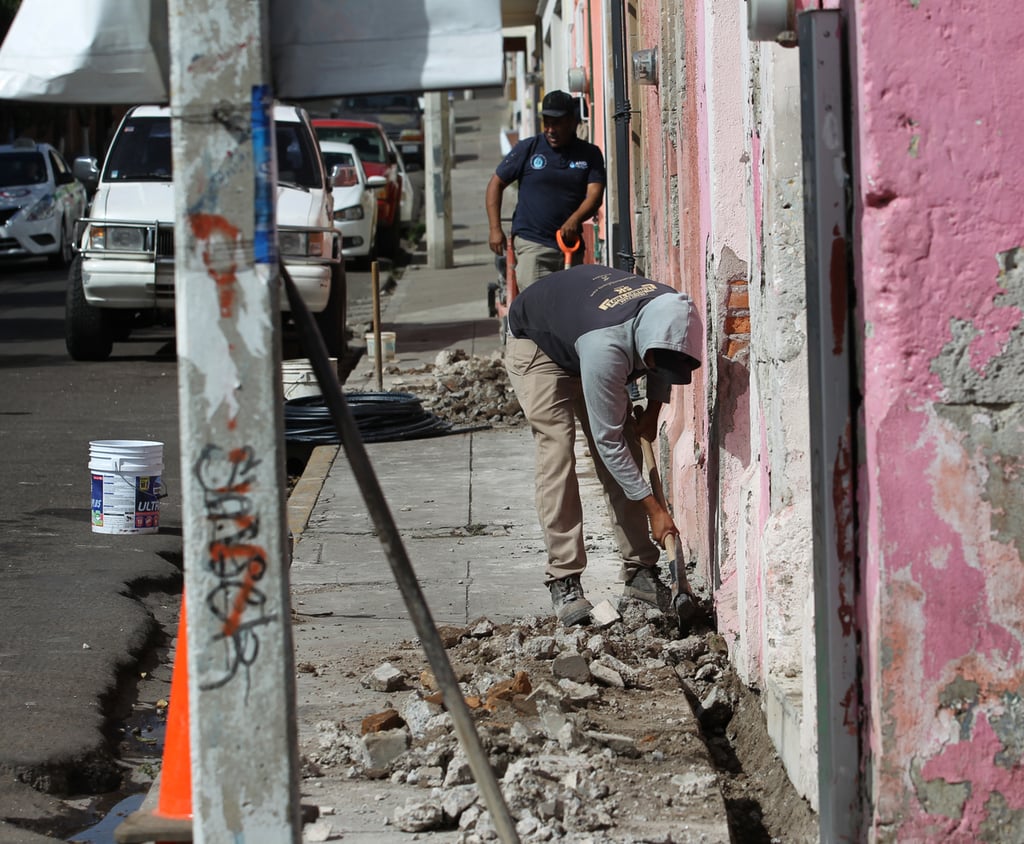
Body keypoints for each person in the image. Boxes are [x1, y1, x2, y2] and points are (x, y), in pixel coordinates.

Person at [504, 264, 702, 626]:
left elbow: (662, 364)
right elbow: (606, 443)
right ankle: (564, 578)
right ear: (645, 343)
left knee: (628, 440)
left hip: (582, 328)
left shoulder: (670, 310)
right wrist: (656, 511)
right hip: (538, 346)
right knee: (558, 451)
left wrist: (651, 414)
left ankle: (641, 570)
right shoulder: (606, 347)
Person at [486, 90, 606, 289]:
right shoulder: (528, 149)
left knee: (569, 308)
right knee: (538, 308)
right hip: (533, 245)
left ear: (572, 121)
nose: (550, 129)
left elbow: (595, 196)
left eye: (556, 123)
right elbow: (495, 184)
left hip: (570, 246)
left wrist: (575, 220)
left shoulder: (589, 154)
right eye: (547, 123)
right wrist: (494, 229)